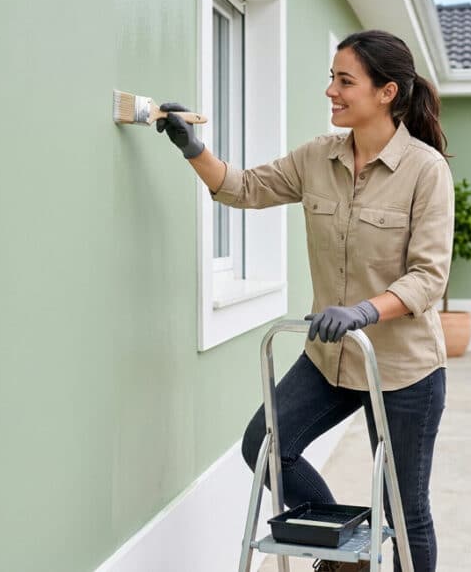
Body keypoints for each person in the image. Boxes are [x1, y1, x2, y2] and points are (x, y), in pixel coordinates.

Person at [156, 29, 454, 572]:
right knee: (266, 447)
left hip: (403, 369)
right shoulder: (319, 157)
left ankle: (362, 549)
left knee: (408, 511)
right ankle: (347, 550)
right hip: (330, 358)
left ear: (386, 93)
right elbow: (244, 188)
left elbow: (429, 277)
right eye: (332, 79)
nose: (331, 92)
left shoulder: (426, 171)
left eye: (345, 81)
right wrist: (192, 148)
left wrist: (365, 311)